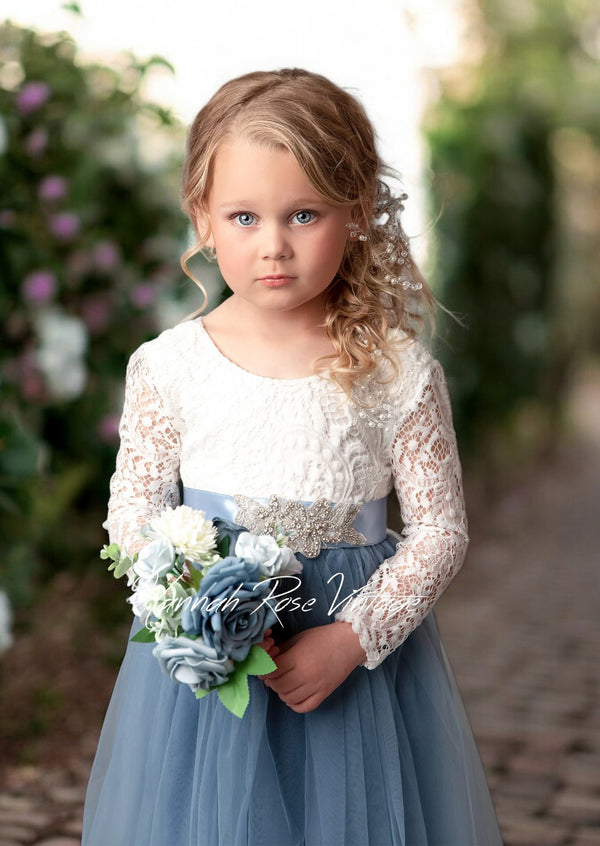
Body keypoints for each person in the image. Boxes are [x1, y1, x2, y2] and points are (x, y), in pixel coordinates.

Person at [82, 68, 503, 845]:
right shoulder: (169, 367)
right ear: (202, 219)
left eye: (304, 214)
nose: (273, 245)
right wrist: (201, 620)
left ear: (356, 214)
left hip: (354, 668)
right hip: (211, 675)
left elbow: (442, 530)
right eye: (244, 216)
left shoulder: (398, 371)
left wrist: (352, 640)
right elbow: (133, 517)